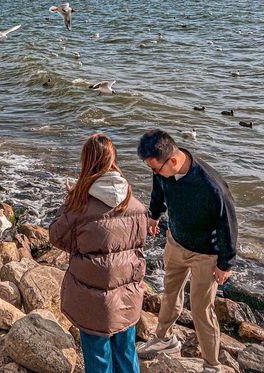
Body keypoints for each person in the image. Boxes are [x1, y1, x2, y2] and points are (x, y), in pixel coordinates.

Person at [136, 130, 237, 372]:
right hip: (176, 242)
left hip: (206, 255)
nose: (154, 173)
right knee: (170, 291)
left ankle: (212, 364)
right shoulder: (162, 171)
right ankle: (164, 339)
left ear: (172, 160)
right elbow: (158, 191)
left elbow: (228, 224)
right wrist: (154, 215)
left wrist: (225, 263)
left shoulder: (211, 186)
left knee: (202, 309)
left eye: (156, 168)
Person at [49, 134, 148, 373]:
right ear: (113, 159)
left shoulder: (80, 205)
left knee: (98, 359)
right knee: (126, 354)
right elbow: (139, 241)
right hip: (127, 293)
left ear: (87, 161)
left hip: (91, 295)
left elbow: (57, 236)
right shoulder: (135, 204)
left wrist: (69, 201)